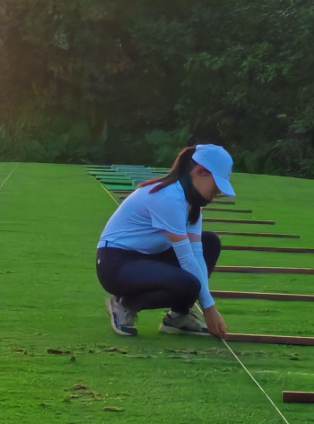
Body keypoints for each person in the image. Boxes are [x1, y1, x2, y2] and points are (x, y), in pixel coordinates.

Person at [95, 144, 234, 338]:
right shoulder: (168, 197)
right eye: (216, 185)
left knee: (209, 242)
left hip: (147, 257)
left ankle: (178, 317)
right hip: (116, 263)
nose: (217, 193)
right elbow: (186, 260)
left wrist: (207, 303)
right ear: (200, 172)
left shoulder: (190, 202)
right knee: (189, 283)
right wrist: (209, 309)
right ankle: (124, 303)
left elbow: (196, 253)